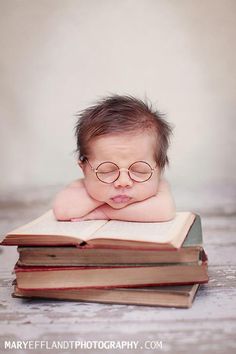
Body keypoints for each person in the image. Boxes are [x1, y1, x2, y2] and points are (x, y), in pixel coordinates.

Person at [53, 95, 176, 222]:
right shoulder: (80, 187)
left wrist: (102, 212)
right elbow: (62, 211)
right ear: (83, 169)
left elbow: (164, 211)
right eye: (106, 171)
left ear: (160, 169)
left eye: (139, 170)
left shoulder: (159, 185)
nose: (123, 182)